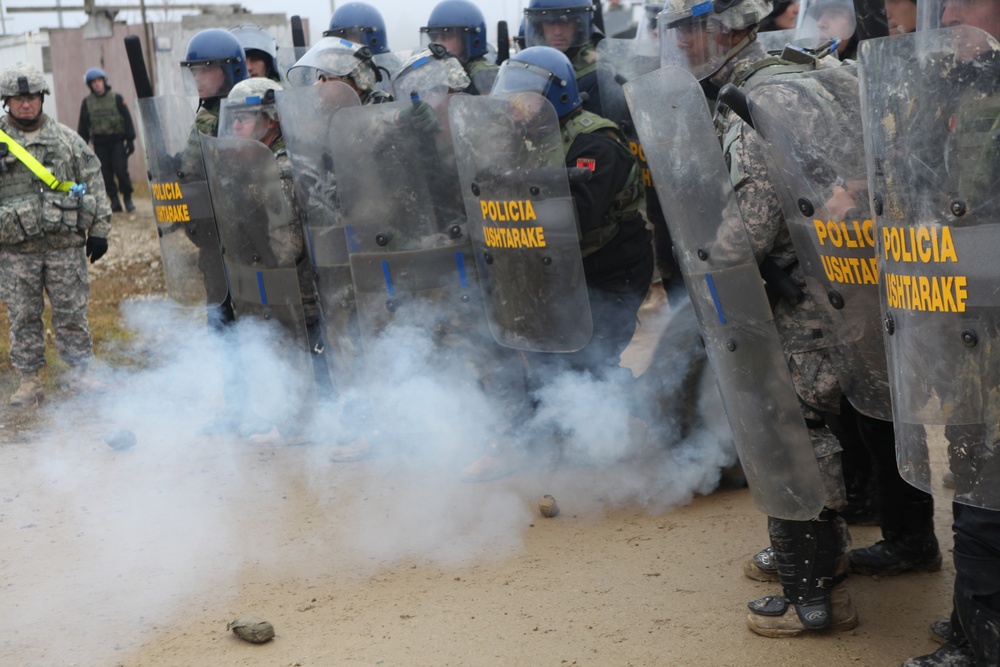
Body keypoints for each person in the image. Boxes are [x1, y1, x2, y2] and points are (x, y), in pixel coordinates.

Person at [660, 0, 859, 637]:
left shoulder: (752, 98)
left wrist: (704, 257)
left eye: (693, 29)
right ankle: (824, 559)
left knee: (791, 433)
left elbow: (751, 225)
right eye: (677, 31)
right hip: (834, 288)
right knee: (813, 424)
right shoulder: (794, 73)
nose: (683, 43)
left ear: (730, 26)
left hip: (797, 301)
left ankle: (813, 597)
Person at [460, 45, 654, 481]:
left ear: (557, 95)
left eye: (524, 97)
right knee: (537, 357)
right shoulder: (525, 139)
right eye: (510, 96)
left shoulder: (596, 144)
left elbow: (575, 220)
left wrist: (516, 192)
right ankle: (530, 439)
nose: (514, 106)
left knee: (586, 364)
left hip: (609, 268)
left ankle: (653, 410)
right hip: (550, 268)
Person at [874, 0, 1000, 664]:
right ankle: (971, 622)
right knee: (973, 472)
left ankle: (979, 645)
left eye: (964, 0)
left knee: (987, 491)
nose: (948, 15)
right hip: (970, 325)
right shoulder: (959, 88)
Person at [0, 61, 112, 407]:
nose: (26, 104)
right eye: (18, 99)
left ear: (42, 98)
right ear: (6, 102)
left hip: (65, 247)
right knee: (23, 315)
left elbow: (94, 179)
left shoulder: (66, 140)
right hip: (17, 250)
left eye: (32, 97)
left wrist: (100, 229)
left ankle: (80, 373)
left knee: (71, 312)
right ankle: (29, 381)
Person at [523, 0, 605, 115]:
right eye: (549, 22)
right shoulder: (530, 67)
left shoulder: (596, 74)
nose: (557, 32)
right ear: (539, 26)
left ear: (579, 25)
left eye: (565, 22)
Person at [77, 68, 136, 214]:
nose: (97, 84)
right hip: (100, 143)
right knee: (105, 174)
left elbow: (127, 119)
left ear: (104, 81)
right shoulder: (87, 103)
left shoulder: (116, 98)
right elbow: (83, 127)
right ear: (90, 85)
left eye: (99, 81)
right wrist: (81, 147)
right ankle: (114, 201)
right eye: (93, 82)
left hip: (117, 142)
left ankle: (127, 199)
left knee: (121, 170)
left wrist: (130, 140)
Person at [420, 0, 499, 94]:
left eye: (445, 37)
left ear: (468, 41)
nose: (437, 43)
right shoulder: (433, 70)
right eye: (434, 37)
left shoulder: (485, 75)